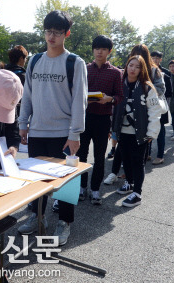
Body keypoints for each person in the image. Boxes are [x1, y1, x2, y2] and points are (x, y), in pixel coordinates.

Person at [17, 10, 87, 246]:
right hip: (37, 131)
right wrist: (22, 122)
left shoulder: (74, 63)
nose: (52, 37)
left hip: (64, 134)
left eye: (57, 32)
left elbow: (80, 100)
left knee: (66, 182)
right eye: (48, 31)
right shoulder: (35, 61)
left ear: (66, 33)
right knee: (37, 181)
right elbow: (27, 95)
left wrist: (75, 133)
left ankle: (64, 222)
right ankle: (37, 217)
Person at [75, 35, 123, 204]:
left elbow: (120, 96)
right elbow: (76, 92)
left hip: (103, 119)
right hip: (85, 117)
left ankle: (95, 189)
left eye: (103, 49)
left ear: (109, 52)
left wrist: (109, 99)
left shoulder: (116, 73)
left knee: (99, 155)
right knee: (81, 154)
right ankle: (81, 187)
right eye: (96, 49)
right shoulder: (85, 68)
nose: (99, 52)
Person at [113, 55, 162, 207]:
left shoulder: (147, 86)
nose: (133, 69)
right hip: (122, 131)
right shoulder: (120, 84)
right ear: (126, 67)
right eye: (130, 65)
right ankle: (129, 183)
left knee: (138, 162)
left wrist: (152, 132)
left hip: (140, 132)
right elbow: (114, 108)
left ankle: (137, 193)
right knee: (125, 159)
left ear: (142, 69)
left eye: (137, 66)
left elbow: (155, 111)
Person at [150, 51, 172, 165]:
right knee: (147, 129)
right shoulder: (145, 70)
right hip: (147, 106)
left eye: (157, 58)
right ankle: (147, 153)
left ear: (161, 60)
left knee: (160, 131)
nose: (155, 60)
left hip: (159, 106)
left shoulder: (166, 74)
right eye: (153, 57)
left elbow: (168, 92)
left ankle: (160, 155)